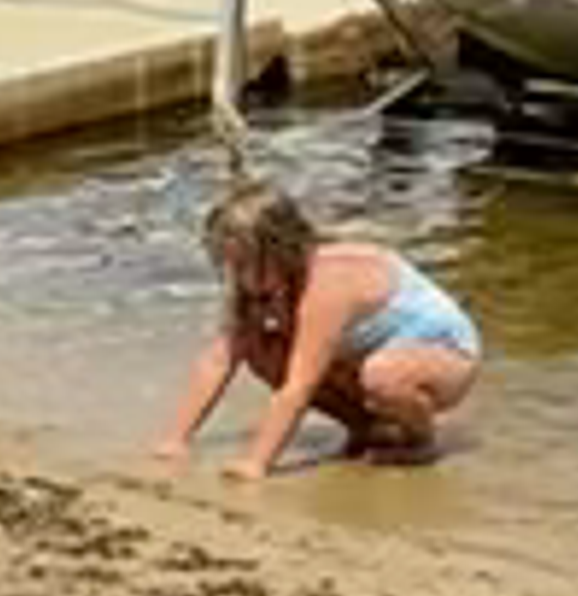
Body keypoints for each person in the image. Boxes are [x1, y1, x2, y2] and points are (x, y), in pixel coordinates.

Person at [154, 180, 481, 482]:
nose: (237, 277)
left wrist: (255, 463)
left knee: (383, 377)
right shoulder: (257, 283)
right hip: (369, 352)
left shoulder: (326, 285)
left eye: (243, 265)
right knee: (262, 352)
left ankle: (421, 441)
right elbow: (218, 360)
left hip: (445, 349)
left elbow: (299, 386)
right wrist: (176, 439)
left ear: (284, 252)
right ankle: (366, 428)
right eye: (228, 265)